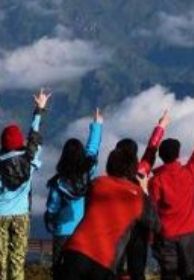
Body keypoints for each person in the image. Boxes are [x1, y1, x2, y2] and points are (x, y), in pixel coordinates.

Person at [55, 147, 162, 280]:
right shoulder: (138, 196)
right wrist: (145, 189)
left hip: (74, 251)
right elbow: (156, 224)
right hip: (104, 261)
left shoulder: (96, 183)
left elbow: (88, 208)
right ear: (133, 169)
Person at [0, 90, 51, 280]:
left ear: (3, 144)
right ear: (20, 142)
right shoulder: (29, 160)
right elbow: (35, 137)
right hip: (21, 216)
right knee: (17, 260)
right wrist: (39, 109)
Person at [149, 120, 194, 280]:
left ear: (161, 157)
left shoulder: (156, 181)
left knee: (168, 274)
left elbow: (153, 210)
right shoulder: (189, 173)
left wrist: (151, 237)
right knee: (189, 272)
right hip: (189, 234)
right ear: (178, 154)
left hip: (166, 235)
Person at [45, 107, 104, 265]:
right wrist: (97, 125)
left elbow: (52, 208)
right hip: (84, 230)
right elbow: (92, 150)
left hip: (62, 232)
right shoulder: (87, 174)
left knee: (60, 269)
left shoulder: (57, 184)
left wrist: (50, 222)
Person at [117, 110, 170, 280]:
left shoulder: (113, 176)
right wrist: (161, 126)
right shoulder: (142, 170)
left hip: (117, 228)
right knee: (137, 270)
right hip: (140, 229)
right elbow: (151, 149)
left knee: (115, 268)